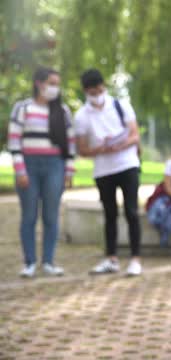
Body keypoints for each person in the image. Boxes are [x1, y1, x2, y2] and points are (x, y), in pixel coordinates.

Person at [74, 69, 143, 276]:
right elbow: (82, 149)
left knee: (132, 212)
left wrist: (121, 144)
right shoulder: (82, 115)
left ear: (104, 86)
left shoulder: (121, 105)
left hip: (127, 164)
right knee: (109, 214)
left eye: (100, 89)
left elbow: (135, 135)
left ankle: (135, 259)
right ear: (86, 91)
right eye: (93, 92)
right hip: (103, 170)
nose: (97, 94)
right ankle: (111, 258)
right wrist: (100, 149)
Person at [8, 67, 76, 278]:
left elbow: (71, 143)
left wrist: (69, 171)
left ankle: (48, 261)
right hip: (29, 165)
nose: (55, 88)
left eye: (57, 84)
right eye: (51, 83)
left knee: (51, 215)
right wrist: (20, 170)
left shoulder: (63, 111)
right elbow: (14, 140)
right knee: (29, 215)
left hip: (55, 165)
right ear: (39, 83)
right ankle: (29, 262)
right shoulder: (22, 108)